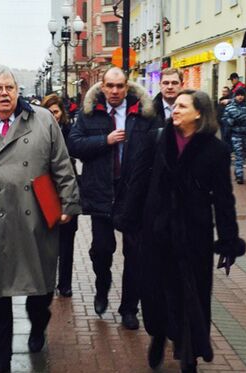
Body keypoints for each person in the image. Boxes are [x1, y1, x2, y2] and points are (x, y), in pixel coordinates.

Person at [0, 65, 81, 373]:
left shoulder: (42, 119)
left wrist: (69, 203)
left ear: (17, 91)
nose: (5, 93)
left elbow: (62, 165)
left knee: (39, 288)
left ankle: (38, 324)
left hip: (36, 217)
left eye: (10, 87)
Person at [116, 89, 246, 373]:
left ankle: (189, 353)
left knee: (192, 293)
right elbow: (138, 181)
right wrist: (129, 220)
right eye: (174, 106)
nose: (175, 110)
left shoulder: (216, 150)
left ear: (199, 113)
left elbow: (224, 199)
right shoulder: (157, 139)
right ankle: (158, 335)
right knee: (155, 291)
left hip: (194, 235)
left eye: (182, 106)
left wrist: (228, 240)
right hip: (156, 230)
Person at [67, 67, 156, 330]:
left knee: (135, 254)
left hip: (133, 193)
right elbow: (73, 145)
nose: (115, 91)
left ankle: (129, 307)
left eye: (120, 86)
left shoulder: (143, 114)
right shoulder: (89, 113)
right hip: (102, 192)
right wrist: (104, 140)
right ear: (102, 87)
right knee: (102, 249)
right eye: (110, 86)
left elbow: (155, 149)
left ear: (126, 87)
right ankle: (102, 286)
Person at [41, 93, 79, 298]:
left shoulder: (70, 132)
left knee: (67, 239)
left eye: (55, 112)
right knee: (47, 239)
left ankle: (65, 283)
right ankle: (47, 280)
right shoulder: (37, 132)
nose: (52, 116)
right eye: (48, 112)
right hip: (45, 190)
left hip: (67, 189)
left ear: (62, 113)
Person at [221, 87, 246, 184]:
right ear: (235, 96)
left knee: (243, 154)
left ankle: (237, 170)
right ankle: (239, 175)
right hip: (236, 134)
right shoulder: (230, 107)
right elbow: (224, 119)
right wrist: (231, 122)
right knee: (239, 154)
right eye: (238, 95)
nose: (240, 97)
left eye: (242, 95)